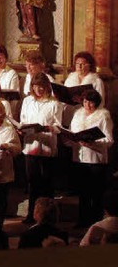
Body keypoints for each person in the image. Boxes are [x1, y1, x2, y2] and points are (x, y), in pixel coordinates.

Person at [62, 89, 113, 227]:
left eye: (90, 102)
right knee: (83, 193)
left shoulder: (103, 115)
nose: (87, 105)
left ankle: (95, 222)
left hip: (96, 159)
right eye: (85, 101)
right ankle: (82, 221)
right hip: (79, 158)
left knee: (95, 194)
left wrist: (93, 143)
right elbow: (73, 133)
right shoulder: (78, 114)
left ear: (96, 103)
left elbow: (109, 140)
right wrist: (69, 139)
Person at [19, 73, 62, 224]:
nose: (39, 90)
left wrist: (49, 128)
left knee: (46, 184)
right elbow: (23, 121)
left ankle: (48, 217)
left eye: (42, 87)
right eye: (36, 87)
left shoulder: (54, 103)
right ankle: (32, 214)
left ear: (47, 87)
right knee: (32, 183)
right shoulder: (27, 101)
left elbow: (58, 126)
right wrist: (22, 129)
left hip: (47, 148)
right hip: (31, 146)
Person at [62, 51, 106, 126]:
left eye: (83, 64)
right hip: (69, 114)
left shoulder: (96, 81)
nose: (79, 66)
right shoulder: (70, 79)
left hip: (87, 116)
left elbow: (100, 102)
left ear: (90, 65)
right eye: (77, 64)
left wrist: (82, 101)